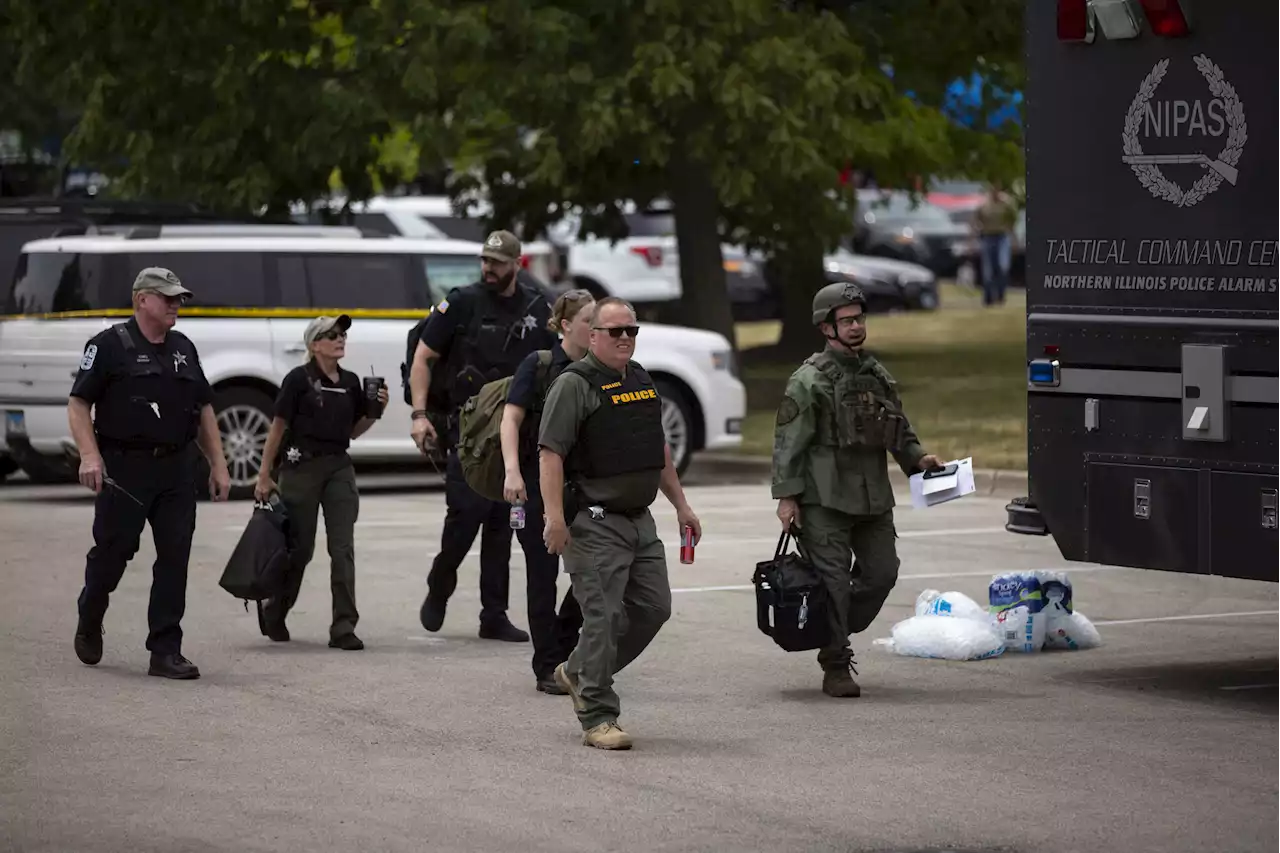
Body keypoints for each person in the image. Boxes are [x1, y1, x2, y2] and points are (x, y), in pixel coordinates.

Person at [538, 296, 702, 750]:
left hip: (639, 520)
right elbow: (550, 454)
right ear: (593, 337)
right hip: (593, 521)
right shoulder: (574, 385)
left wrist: (681, 506)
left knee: (653, 608)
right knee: (603, 616)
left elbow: (658, 450)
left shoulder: (642, 380)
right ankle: (597, 714)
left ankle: (577, 672)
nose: (625, 338)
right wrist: (554, 518)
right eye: (615, 331)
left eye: (631, 330)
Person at [770, 281, 941, 698]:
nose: (855, 327)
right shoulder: (808, 380)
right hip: (825, 498)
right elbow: (789, 441)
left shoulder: (876, 375)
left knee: (883, 573)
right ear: (826, 328)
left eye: (859, 318)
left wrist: (918, 459)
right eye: (846, 321)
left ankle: (836, 622)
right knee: (831, 583)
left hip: (873, 498)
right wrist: (788, 497)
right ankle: (835, 662)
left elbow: (899, 427)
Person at [68, 267, 231, 680]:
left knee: (175, 557)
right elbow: (78, 405)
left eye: (179, 298)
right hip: (125, 468)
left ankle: (165, 649)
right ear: (142, 299)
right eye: (168, 297)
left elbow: (205, 407)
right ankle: (91, 609)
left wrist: (219, 463)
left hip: (177, 468)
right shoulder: (108, 346)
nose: (177, 304)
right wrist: (90, 456)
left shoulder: (183, 347)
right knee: (113, 553)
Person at [407, 230, 557, 642]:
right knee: (465, 517)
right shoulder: (460, 302)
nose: (489, 269)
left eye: (498, 262)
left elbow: (555, 362)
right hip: (470, 431)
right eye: (485, 261)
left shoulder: (535, 306)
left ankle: (494, 614)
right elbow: (423, 357)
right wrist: (420, 414)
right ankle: (441, 583)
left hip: (517, 433)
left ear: (517, 264)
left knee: (502, 523)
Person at [254, 314, 387, 650]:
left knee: (342, 548)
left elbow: (351, 432)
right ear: (314, 345)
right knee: (300, 548)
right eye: (331, 335)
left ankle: (343, 626)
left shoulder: (352, 381)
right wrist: (264, 474)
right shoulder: (297, 380)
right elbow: (278, 427)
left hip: (338, 466)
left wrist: (373, 412)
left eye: (342, 334)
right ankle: (277, 611)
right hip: (301, 468)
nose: (339, 339)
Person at [499, 288, 594, 694]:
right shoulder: (538, 365)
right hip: (537, 484)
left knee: (592, 570)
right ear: (567, 324)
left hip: (584, 487)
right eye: (590, 320)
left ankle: (565, 646)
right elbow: (510, 419)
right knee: (542, 575)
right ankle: (546, 665)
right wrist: (512, 473)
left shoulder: (599, 368)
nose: (598, 329)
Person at [971, 180, 1018, 306]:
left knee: (1003, 266)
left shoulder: (1006, 203)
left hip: (1002, 237)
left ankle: (1001, 295)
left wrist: (1014, 239)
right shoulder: (984, 204)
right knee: (988, 270)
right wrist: (972, 238)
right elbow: (975, 220)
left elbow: (1013, 220)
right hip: (987, 237)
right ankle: (988, 298)